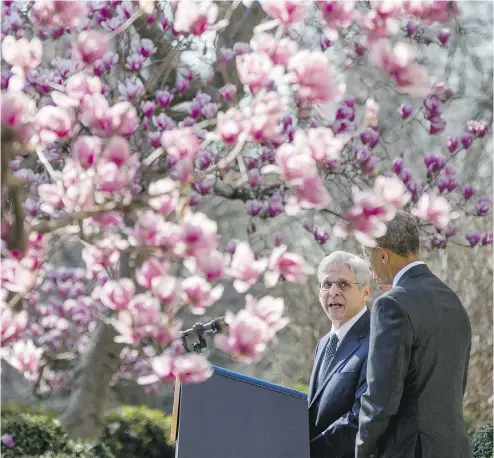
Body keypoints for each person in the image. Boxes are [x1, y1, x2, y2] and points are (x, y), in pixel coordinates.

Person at [356, 210, 472, 458]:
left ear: (383, 254)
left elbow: (380, 398)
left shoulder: (391, 304)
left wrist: (362, 450)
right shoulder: (453, 301)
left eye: (369, 260)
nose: (371, 270)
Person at [309, 251, 372, 458]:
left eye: (343, 284)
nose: (333, 291)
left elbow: (361, 417)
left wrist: (307, 451)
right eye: (327, 284)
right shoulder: (324, 343)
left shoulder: (377, 340)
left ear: (365, 292)